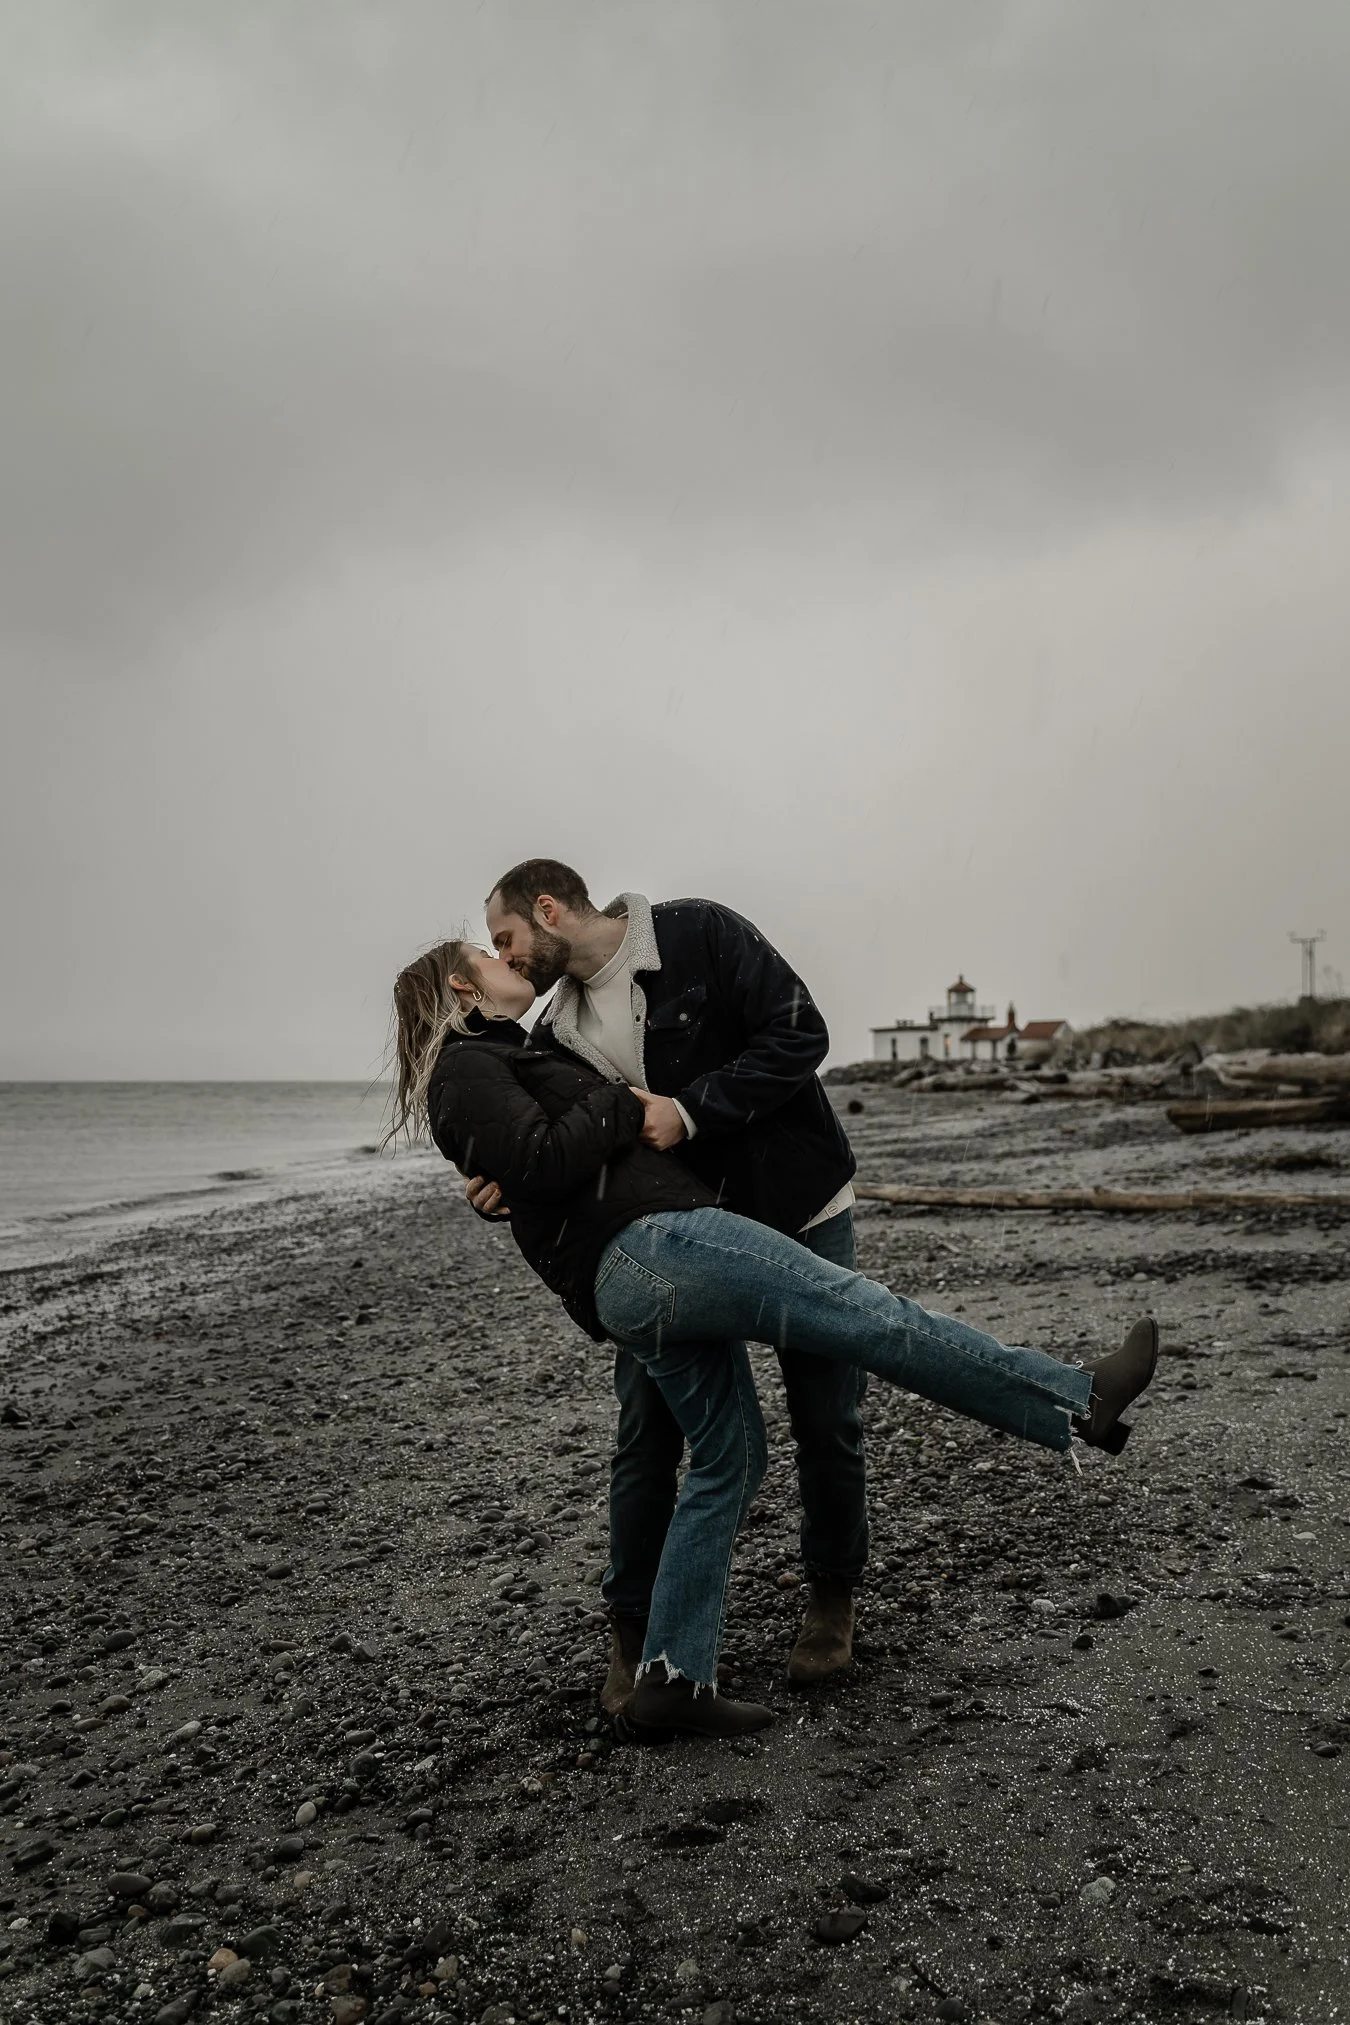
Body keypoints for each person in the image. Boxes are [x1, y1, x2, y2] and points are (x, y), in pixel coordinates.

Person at [389, 938, 1160, 1742]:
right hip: (657, 1247)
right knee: (870, 1315)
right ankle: (1074, 1398)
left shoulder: (506, 1054)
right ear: (460, 984)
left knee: (731, 1454)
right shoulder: (466, 1066)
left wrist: (526, 1161)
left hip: (638, 1271)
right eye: (490, 953)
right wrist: (622, 1102)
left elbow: (524, 1163)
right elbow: (541, 1158)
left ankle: (672, 1677)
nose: (509, 958)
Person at [473, 860, 868, 1711]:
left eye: (505, 937)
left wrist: (689, 1110)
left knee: (827, 1414)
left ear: (549, 910)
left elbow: (800, 1035)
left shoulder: (700, 932)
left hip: (800, 1207)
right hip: (676, 1245)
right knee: (644, 1432)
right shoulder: (554, 1035)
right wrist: (511, 1181)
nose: (500, 955)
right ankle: (632, 1630)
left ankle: (832, 1597)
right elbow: (565, 1143)